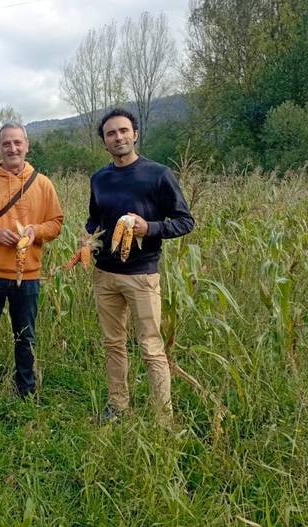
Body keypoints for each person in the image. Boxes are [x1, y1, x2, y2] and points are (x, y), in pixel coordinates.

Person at [86, 108, 195, 425]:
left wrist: (149, 228)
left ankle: (163, 417)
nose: (118, 137)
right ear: (105, 142)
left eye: (123, 131)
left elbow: (185, 221)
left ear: (135, 134)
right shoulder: (99, 179)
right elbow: (95, 219)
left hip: (142, 275)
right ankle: (118, 406)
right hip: (105, 275)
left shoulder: (158, 175)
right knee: (113, 344)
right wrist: (88, 240)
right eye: (111, 133)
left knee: (150, 347)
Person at [0, 122, 63, 398]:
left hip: (27, 275)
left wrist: (36, 231)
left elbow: (56, 223)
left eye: (17, 142)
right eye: (7, 143)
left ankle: (26, 392)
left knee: (26, 338)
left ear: (27, 145)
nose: (13, 148)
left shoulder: (42, 184)